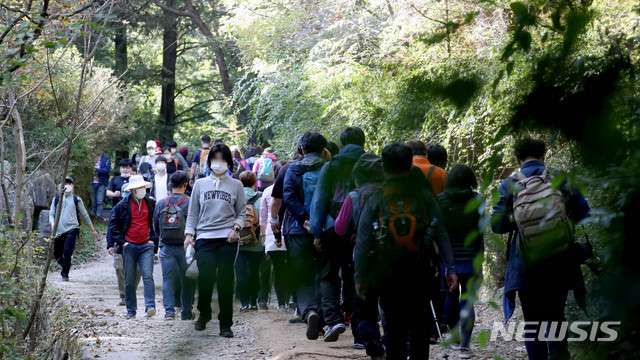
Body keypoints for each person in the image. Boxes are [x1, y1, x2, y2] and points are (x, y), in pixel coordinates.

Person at [355, 142, 458, 360]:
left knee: (394, 328)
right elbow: (441, 233)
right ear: (409, 164)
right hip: (420, 270)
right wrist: (450, 267)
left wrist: (360, 278)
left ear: (384, 167)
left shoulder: (375, 197)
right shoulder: (423, 196)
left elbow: (362, 242)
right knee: (420, 326)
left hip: (387, 274)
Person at [491, 138, 590, 360]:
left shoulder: (509, 184)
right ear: (544, 155)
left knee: (533, 322)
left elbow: (496, 225)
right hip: (561, 259)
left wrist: (519, 221)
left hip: (526, 262)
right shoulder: (559, 177)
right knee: (556, 317)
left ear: (517, 159)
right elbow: (583, 213)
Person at [310, 127, 367, 342]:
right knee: (358, 275)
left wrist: (317, 231)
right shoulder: (372, 163)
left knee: (329, 274)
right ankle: (361, 333)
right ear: (363, 142)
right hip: (364, 227)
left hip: (334, 226)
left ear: (341, 144)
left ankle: (334, 321)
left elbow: (320, 199)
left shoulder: (332, 165)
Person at [184, 143, 246, 336]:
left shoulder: (236, 185)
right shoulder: (200, 184)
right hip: (204, 238)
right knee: (205, 278)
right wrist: (189, 235)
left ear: (228, 162)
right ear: (209, 161)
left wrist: (236, 229)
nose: (218, 163)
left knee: (226, 280)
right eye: (215, 159)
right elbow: (193, 213)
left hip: (227, 238)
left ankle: (225, 324)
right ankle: (204, 313)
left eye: (223, 159)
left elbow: (242, 213)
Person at [334, 153, 386, 356]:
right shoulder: (391, 192)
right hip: (394, 253)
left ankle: (366, 340)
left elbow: (339, 228)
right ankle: (394, 340)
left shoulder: (354, 196)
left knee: (365, 300)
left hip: (364, 254)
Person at [283, 131, 328, 341]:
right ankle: (325, 319)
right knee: (325, 274)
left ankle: (310, 312)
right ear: (323, 149)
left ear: (300, 149)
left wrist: (304, 221)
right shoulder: (330, 167)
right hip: (327, 230)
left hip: (299, 231)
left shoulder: (293, 168)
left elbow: (289, 198)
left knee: (303, 277)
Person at [438, 164, 484, 358]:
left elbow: (437, 233)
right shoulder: (478, 200)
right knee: (467, 302)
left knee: (450, 297)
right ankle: (465, 346)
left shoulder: (440, 200)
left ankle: (455, 339)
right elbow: (481, 231)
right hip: (471, 258)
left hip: (449, 260)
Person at [109, 175, 158, 319]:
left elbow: (156, 224)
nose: (142, 190)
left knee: (148, 275)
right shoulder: (122, 205)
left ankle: (150, 306)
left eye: (143, 187)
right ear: (132, 190)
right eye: (139, 187)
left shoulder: (150, 204)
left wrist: (153, 240)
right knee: (129, 279)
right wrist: (122, 242)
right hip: (129, 246)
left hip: (146, 246)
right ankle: (131, 310)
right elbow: (113, 225)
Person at [153, 171, 194, 321]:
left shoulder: (161, 203)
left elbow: (156, 227)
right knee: (187, 279)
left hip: (166, 247)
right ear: (185, 185)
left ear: (170, 185)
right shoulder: (190, 202)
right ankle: (186, 312)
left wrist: (163, 240)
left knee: (168, 280)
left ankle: (169, 312)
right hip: (186, 247)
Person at [50, 176, 99, 281]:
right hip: (58, 230)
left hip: (72, 228)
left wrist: (93, 229)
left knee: (67, 251)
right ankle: (66, 266)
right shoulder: (56, 199)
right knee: (57, 254)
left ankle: (65, 274)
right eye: (65, 183)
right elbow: (51, 214)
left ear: (73, 185)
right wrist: (52, 224)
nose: (67, 185)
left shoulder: (76, 199)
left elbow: (85, 214)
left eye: (69, 183)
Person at [260, 180, 293, 312]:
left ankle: (281, 304)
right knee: (292, 268)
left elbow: (263, 216)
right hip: (292, 232)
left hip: (272, 234)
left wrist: (263, 237)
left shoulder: (268, 191)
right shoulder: (293, 187)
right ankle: (292, 300)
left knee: (278, 270)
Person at [107, 183, 141, 306]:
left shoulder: (141, 206)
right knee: (120, 268)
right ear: (121, 193)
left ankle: (131, 292)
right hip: (120, 244)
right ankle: (124, 296)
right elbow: (111, 227)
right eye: (125, 191)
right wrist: (110, 244)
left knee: (137, 270)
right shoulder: (117, 208)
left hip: (137, 243)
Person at [235, 171, 265, 312]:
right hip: (256, 243)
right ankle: (254, 303)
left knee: (240, 272)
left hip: (238, 243)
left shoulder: (235, 199)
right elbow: (263, 221)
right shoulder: (260, 199)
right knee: (254, 272)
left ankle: (244, 303)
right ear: (254, 183)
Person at [91, 152, 111, 220]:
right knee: (93, 201)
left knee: (99, 201)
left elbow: (107, 170)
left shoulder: (106, 158)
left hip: (101, 182)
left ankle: (98, 216)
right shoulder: (91, 157)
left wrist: (97, 170)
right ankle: (93, 216)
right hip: (91, 182)